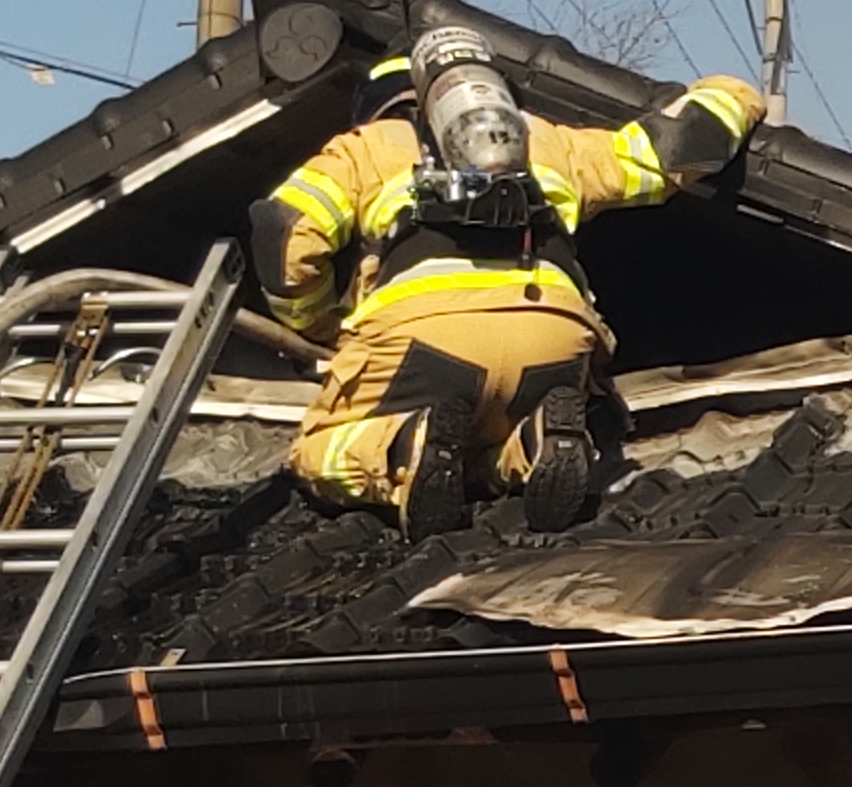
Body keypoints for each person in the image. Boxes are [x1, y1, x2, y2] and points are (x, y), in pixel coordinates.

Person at [261, 43, 765, 535]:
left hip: (422, 338)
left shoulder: (365, 147)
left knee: (317, 451)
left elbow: (284, 232)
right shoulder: (548, 141)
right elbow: (674, 151)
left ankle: (400, 449)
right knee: (473, 446)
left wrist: (319, 323)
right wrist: (731, 93)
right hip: (553, 339)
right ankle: (532, 446)